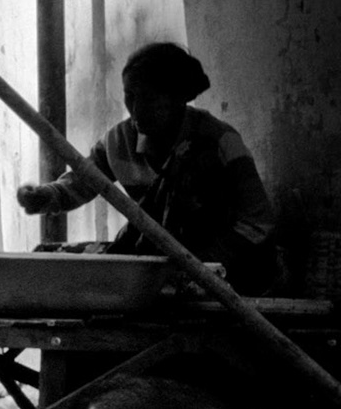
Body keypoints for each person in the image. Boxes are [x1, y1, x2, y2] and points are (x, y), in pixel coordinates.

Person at [17, 41, 278, 292]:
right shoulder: (119, 142)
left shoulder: (220, 143)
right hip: (157, 262)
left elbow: (258, 223)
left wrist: (201, 264)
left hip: (224, 271)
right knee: (50, 264)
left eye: (151, 99)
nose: (137, 110)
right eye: (130, 96)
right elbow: (81, 182)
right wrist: (45, 196)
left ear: (179, 99)